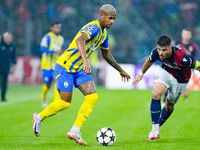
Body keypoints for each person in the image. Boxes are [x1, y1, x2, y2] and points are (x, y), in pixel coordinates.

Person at [32, 4, 130, 146]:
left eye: (114, 19)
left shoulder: (104, 34)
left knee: (92, 97)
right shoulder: (93, 27)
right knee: (65, 103)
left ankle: (75, 130)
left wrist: (120, 69)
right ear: (101, 15)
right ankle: (39, 117)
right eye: (110, 18)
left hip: (79, 69)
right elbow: (80, 40)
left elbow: (106, 54)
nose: (112, 21)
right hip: (66, 66)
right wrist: (86, 61)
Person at [132, 36, 200, 140]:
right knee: (156, 94)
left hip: (181, 80)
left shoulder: (183, 57)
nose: (160, 53)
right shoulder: (156, 52)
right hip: (166, 71)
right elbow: (149, 61)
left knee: (169, 106)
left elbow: (198, 66)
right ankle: (154, 130)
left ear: (170, 48)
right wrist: (141, 75)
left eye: (164, 50)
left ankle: (158, 127)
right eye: (159, 49)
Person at [162, 28, 197, 103]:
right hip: (174, 68)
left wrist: (193, 71)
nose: (186, 36)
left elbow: (193, 59)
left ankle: (179, 100)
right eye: (184, 34)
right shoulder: (176, 44)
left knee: (185, 92)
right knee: (168, 84)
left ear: (190, 35)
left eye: (187, 34)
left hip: (185, 71)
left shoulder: (193, 47)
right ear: (182, 34)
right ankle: (164, 101)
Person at [40, 21, 64, 108]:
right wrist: (53, 52)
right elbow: (42, 49)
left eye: (59, 27)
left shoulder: (61, 38)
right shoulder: (47, 37)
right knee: (47, 84)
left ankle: (56, 102)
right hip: (46, 65)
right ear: (52, 28)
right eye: (56, 27)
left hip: (56, 65)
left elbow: (59, 51)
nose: (58, 29)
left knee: (57, 81)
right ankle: (44, 97)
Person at [0, 32, 16, 102]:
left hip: (6, 67)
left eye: (10, 38)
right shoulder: (0, 45)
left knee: (4, 82)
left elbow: (13, 56)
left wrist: (14, 64)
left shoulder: (12, 46)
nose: (9, 39)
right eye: (7, 38)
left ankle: (3, 97)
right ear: (3, 38)